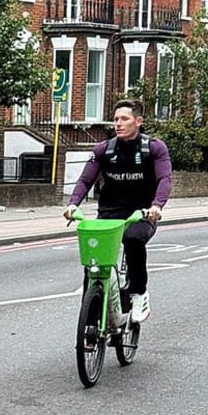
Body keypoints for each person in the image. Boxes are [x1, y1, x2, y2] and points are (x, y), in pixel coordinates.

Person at [63, 99, 172, 323]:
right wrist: (73, 204)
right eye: (115, 119)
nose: (118, 124)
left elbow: (165, 179)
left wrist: (156, 206)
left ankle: (139, 294)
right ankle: (91, 322)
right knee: (94, 264)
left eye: (124, 119)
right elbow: (85, 180)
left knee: (133, 240)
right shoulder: (103, 150)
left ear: (138, 121)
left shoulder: (154, 148)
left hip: (141, 214)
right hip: (109, 213)